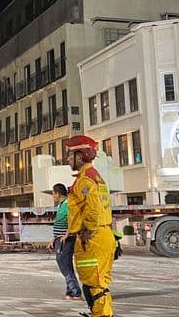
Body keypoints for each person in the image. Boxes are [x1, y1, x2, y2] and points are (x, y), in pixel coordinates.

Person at [64, 135, 116, 317]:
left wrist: (89, 230)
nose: (68, 159)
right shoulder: (94, 177)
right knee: (95, 282)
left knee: (94, 283)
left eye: (70, 155)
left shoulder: (85, 180)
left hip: (93, 239)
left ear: (80, 156)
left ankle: (102, 315)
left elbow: (93, 208)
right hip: (100, 235)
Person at [45, 183, 82, 300]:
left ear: (57, 193)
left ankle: (75, 291)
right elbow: (59, 222)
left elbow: (73, 219)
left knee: (64, 263)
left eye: (53, 194)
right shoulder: (60, 205)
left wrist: (67, 234)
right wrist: (53, 239)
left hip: (65, 239)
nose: (53, 196)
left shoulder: (67, 204)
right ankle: (70, 291)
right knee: (65, 264)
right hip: (59, 238)